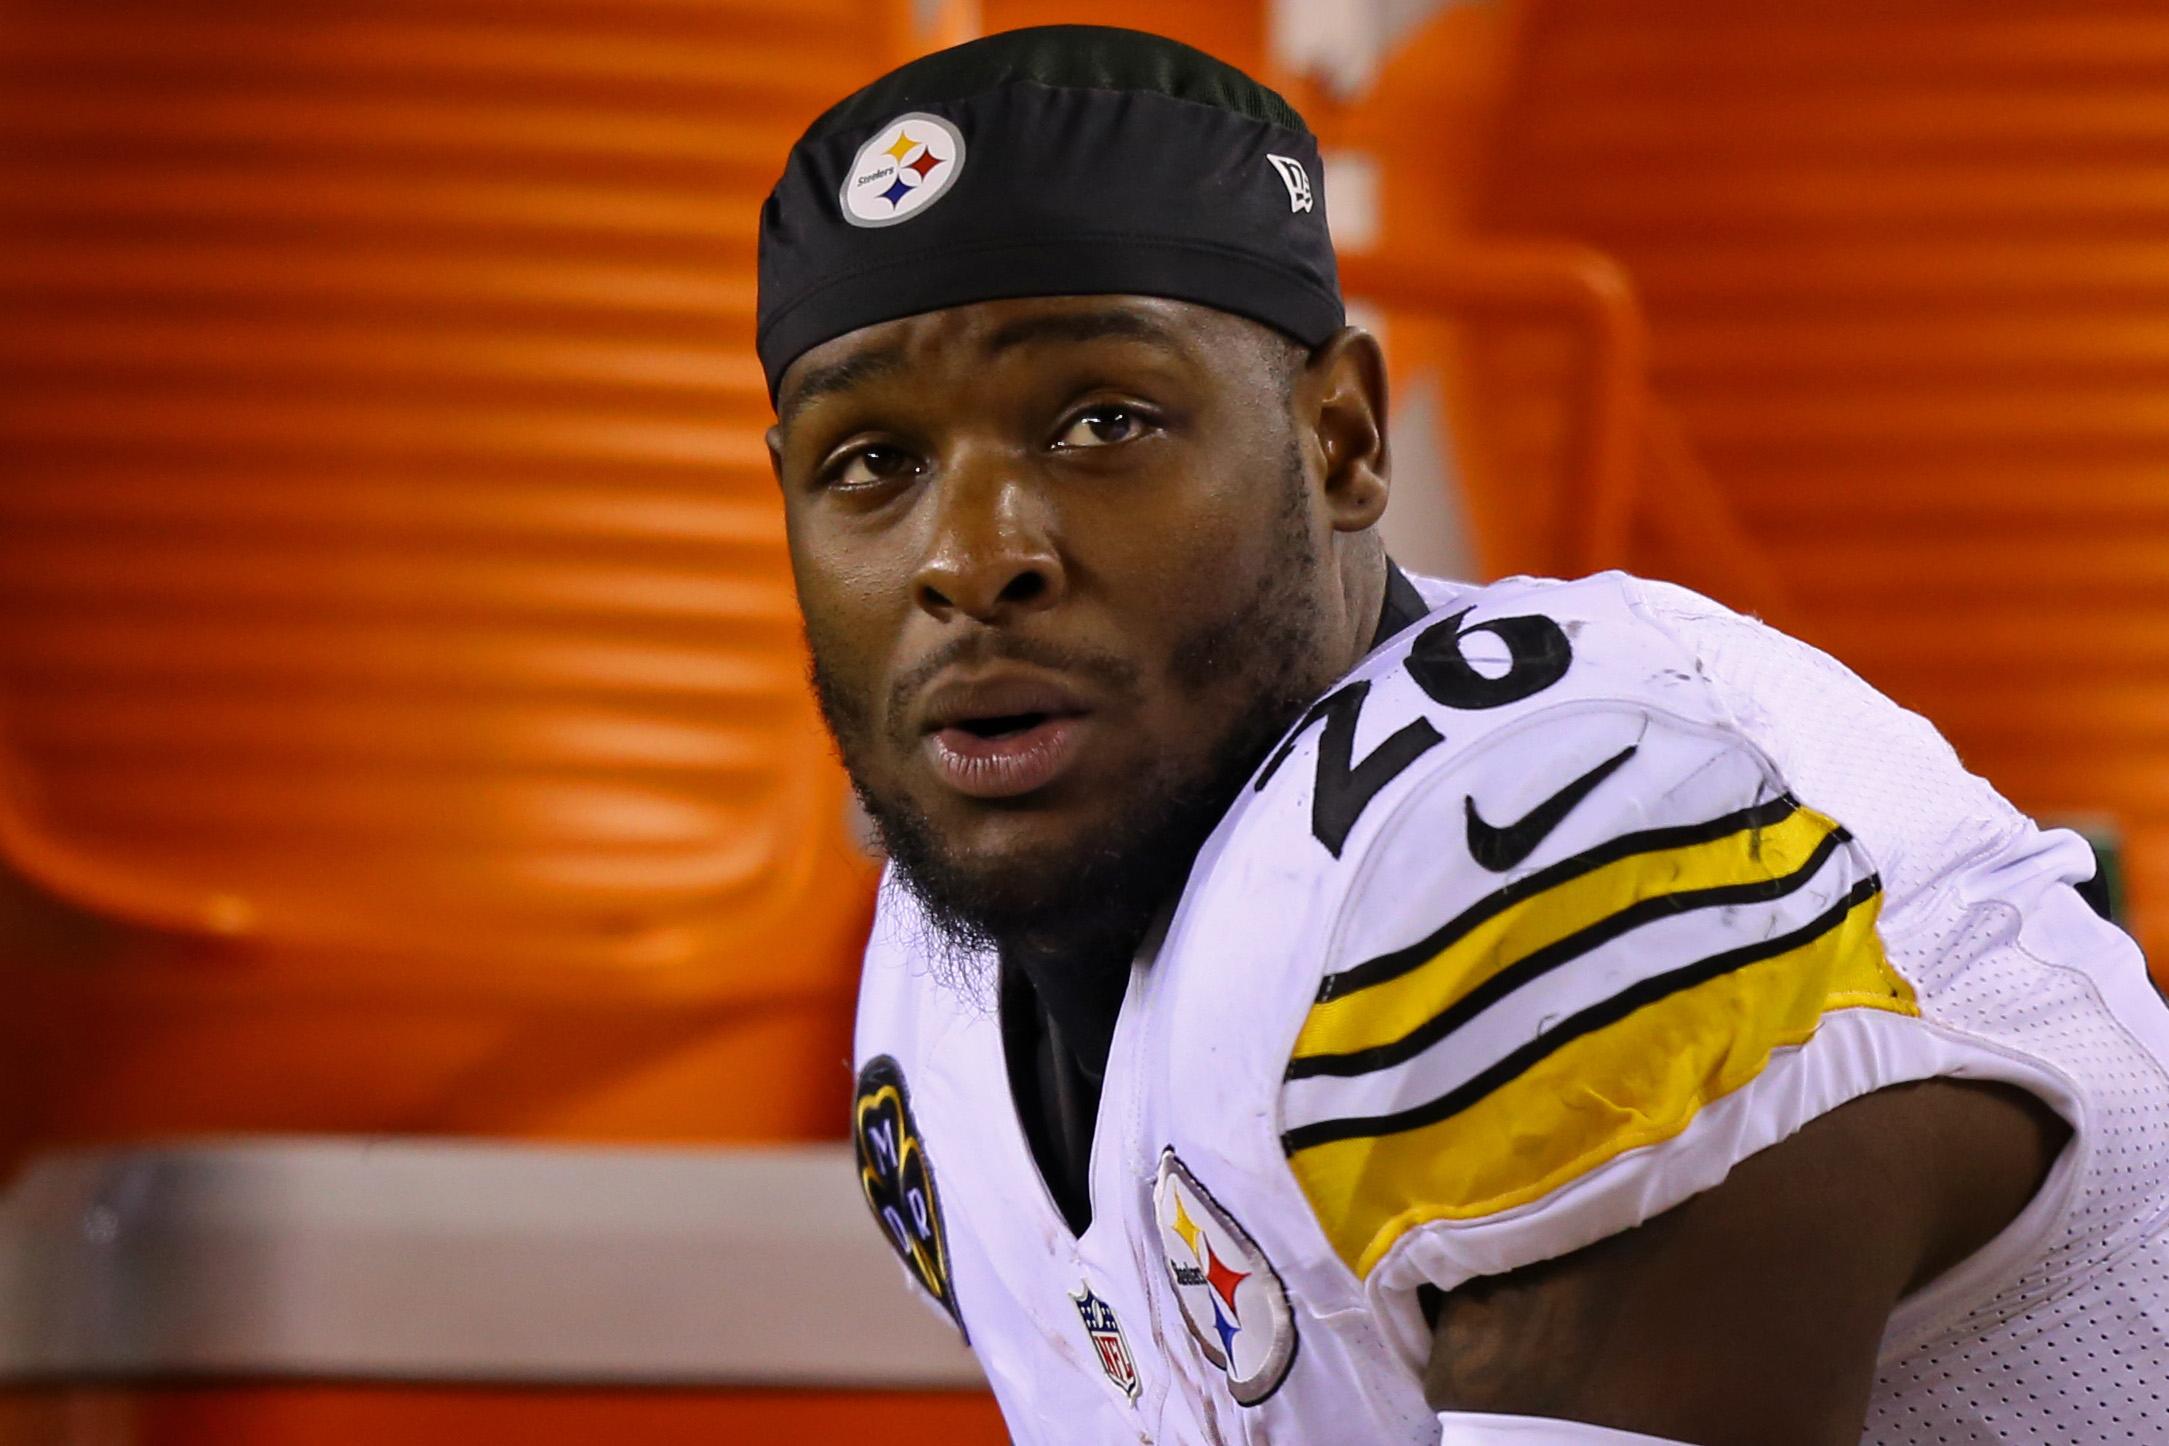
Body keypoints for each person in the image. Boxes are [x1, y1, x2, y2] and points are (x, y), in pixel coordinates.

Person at [756, 25, 2169, 1445]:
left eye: (1102, 421)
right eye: (871, 460)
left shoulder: (1531, 824)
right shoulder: (942, 990)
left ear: (1340, 440)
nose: (971, 556)